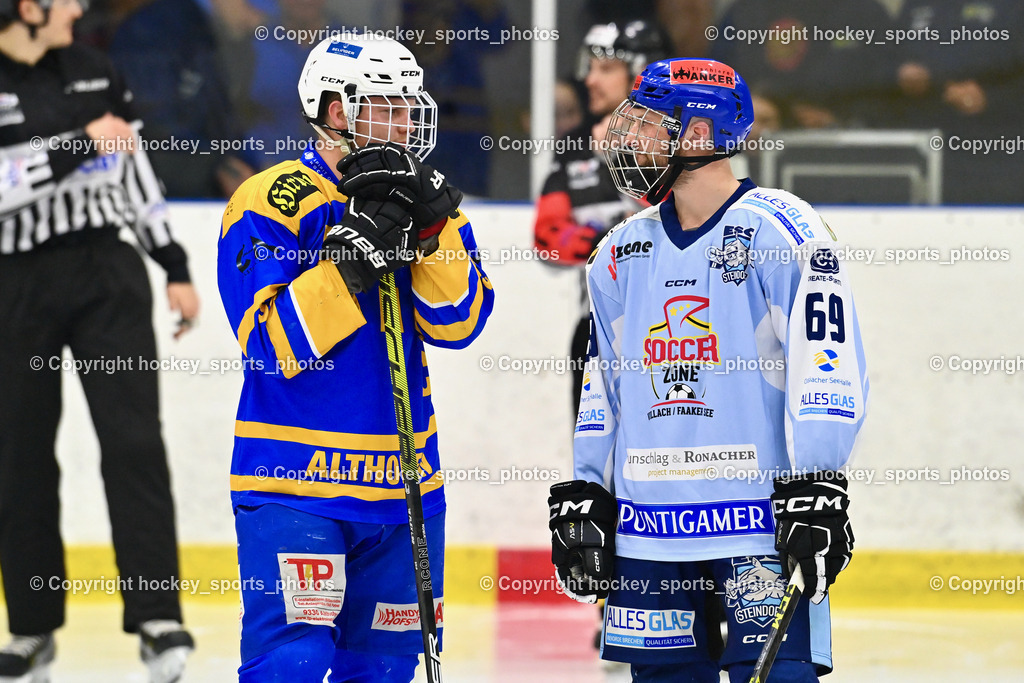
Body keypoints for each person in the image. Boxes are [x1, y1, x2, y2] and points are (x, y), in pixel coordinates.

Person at [547, 58, 868, 682]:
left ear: (697, 134)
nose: (625, 137)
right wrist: (590, 488)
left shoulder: (784, 229)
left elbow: (826, 366)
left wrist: (820, 484)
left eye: (644, 123)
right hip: (649, 531)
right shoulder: (618, 252)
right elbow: (603, 387)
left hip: (755, 525)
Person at [217, 34, 493, 681]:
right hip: (295, 482)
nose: (405, 121)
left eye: (408, 105)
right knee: (293, 661)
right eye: (387, 106)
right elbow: (269, 344)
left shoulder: (428, 199)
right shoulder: (269, 200)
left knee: (385, 669)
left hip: (404, 487)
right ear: (337, 111)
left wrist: (430, 231)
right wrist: (349, 261)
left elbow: (461, 321)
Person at [0, 0, 198, 681]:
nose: (79, 8)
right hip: (15, 284)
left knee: (135, 440)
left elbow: (134, 167)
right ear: (26, 8)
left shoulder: (94, 68)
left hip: (107, 277)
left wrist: (170, 259)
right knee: (21, 455)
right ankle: (31, 626)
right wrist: (79, 142)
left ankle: (157, 614)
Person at [533, 20, 666, 414]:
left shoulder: (678, 141)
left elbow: (698, 223)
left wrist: (631, 154)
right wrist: (611, 241)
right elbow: (547, 238)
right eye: (590, 68)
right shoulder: (573, 147)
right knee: (594, 471)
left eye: (606, 69)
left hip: (677, 331)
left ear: (640, 72)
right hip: (597, 329)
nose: (590, 80)